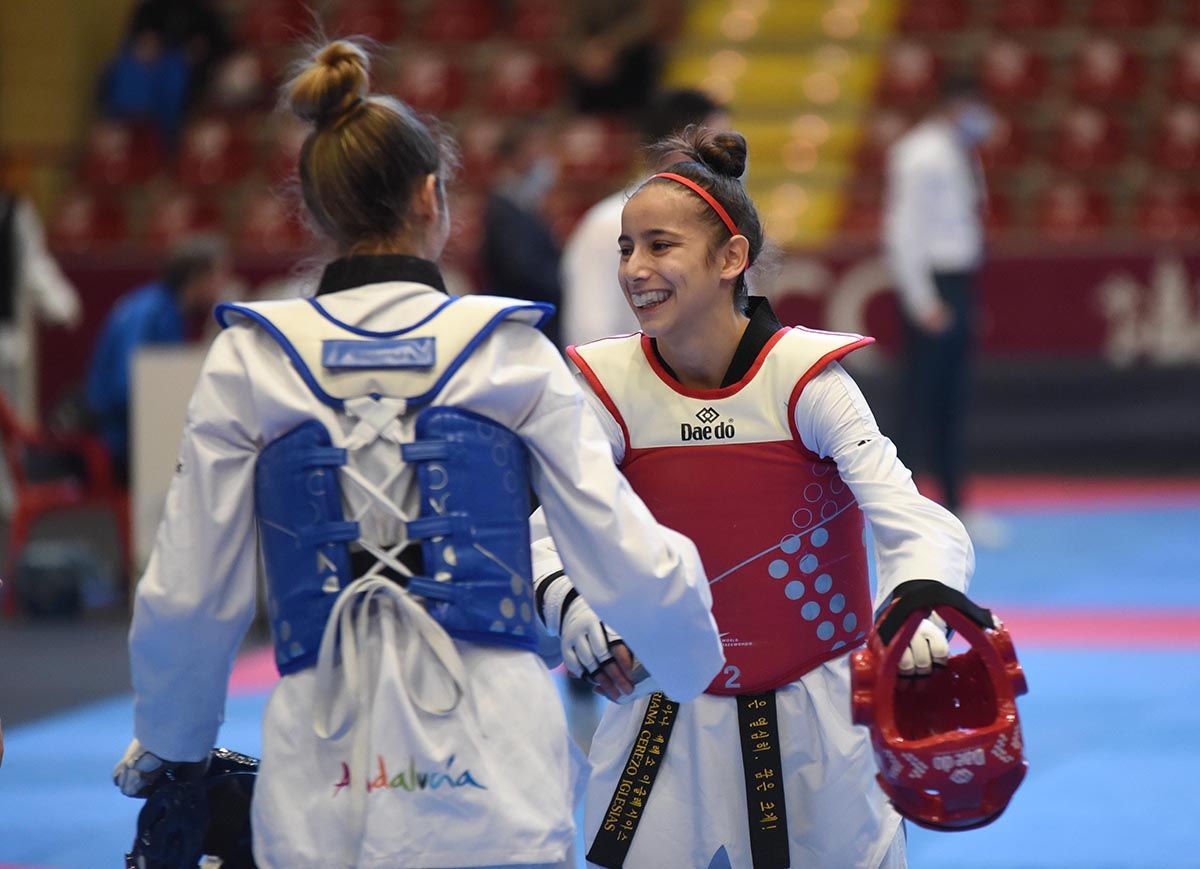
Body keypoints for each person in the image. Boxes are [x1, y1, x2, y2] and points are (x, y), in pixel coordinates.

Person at [112, 40, 723, 869]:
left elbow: (188, 595)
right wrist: (695, 663)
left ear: (316, 210)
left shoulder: (253, 356)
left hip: (323, 766)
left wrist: (172, 743)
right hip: (493, 763)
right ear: (432, 198)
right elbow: (625, 554)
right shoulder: (505, 349)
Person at [530, 126, 976, 868]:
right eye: (626, 247)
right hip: (659, 720)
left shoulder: (808, 379)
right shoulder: (603, 387)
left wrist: (916, 602)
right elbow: (549, 531)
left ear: (731, 257)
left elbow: (910, 518)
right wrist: (566, 600)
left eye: (660, 246)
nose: (635, 270)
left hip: (818, 721)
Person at [882, 73, 996, 527]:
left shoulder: (958, 152)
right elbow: (903, 230)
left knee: (952, 398)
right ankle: (900, 505)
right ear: (956, 104)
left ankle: (954, 502)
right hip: (934, 284)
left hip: (957, 280)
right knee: (921, 399)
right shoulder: (920, 155)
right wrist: (922, 299)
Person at [560, 87, 729, 349]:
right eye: (717, 146)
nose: (729, 160)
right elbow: (589, 334)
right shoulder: (607, 225)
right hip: (631, 384)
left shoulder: (722, 220)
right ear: (677, 148)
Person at [84, 233, 230, 483]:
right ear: (197, 276)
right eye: (219, 275)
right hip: (121, 438)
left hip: (142, 429)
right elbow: (126, 388)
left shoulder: (169, 311)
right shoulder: (149, 313)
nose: (223, 285)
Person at [0, 187, 82, 421]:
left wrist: (61, 304)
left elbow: (33, 266)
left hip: (6, 342)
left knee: (8, 422)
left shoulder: (14, 213)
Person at [481, 120, 563, 345]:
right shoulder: (505, 210)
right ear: (517, 157)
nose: (543, 161)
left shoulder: (523, 204)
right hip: (523, 323)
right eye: (536, 152)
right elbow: (523, 269)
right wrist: (565, 280)